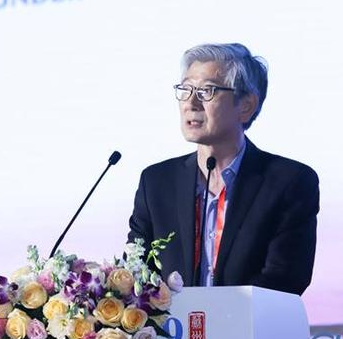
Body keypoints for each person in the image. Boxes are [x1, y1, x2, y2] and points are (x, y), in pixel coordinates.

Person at [127, 43, 319, 296]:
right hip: (173, 323)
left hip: (250, 321)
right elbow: (136, 272)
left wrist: (218, 313)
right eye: (186, 89)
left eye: (207, 91)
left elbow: (285, 278)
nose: (191, 103)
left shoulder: (288, 182)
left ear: (246, 105)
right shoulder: (156, 182)